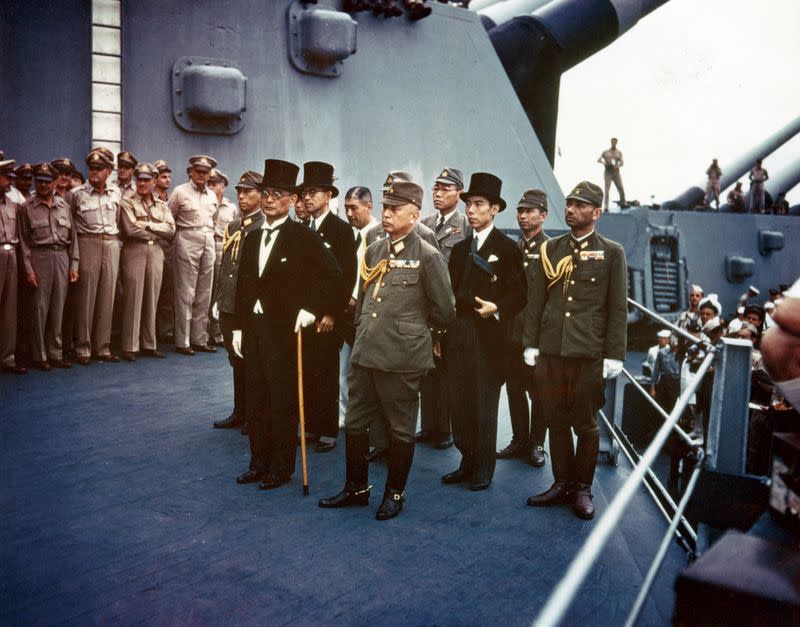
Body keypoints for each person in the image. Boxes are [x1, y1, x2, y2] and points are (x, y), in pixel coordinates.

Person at [319, 174, 455, 519]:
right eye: (385, 207)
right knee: (355, 422)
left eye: (396, 208)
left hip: (402, 357)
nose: (388, 213)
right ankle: (357, 488)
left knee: (399, 428)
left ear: (414, 214)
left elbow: (444, 310)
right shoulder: (375, 249)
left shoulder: (427, 254)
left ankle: (395, 492)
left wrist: (415, 336)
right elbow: (365, 298)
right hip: (367, 351)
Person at [231, 158, 341, 490]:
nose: (268, 200)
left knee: (281, 401)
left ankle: (280, 468)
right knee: (256, 400)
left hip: (286, 332)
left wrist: (312, 307)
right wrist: (237, 326)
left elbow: (333, 275)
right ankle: (258, 462)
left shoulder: (301, 237)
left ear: (292, 201)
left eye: (277, 194)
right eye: (265, 193)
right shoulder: (251, 238)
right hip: (255, 329)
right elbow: (244, 283)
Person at [524, 180, 628, 520]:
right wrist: (531, 344)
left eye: (579, 205)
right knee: (554, 419)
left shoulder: (612, 252)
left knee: (584, 422)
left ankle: (583, 488)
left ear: (596, 212)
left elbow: (617, 309)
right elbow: (536, 301)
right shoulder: (550, 249)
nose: (570, 209)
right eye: (568, 203)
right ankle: (562, 484)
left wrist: (615, 353)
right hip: (552, 350)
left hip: (588, 352)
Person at [443, 172, 527, 491]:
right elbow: (450, 291)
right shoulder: (461, 249)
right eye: (470, 204)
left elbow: (520, 295)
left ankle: (483, 467)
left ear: (494, 209)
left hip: (489, 337)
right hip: (459, 332)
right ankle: (466, 460)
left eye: (479, 204)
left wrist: (497, 308)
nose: (472, 210)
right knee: (459, 404)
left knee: (483, 406)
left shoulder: (506, 249)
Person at [297, 161, 358, 453]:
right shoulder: (301, 229)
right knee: (307, 371)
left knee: (327, 374)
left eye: (314, 192)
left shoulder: (341, 231)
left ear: (328, 195)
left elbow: (346, 277)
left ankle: (328, 430)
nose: (307, 198)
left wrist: (332, 313)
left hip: (326, 317)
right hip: (303, 315)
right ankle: (310, 426)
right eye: (305, 192)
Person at [417, 167, 469, 449]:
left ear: (458, 194)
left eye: (445, 189)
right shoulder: (424, 223)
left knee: (448, 370)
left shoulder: (465, 226)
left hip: (451, 308)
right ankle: (429, 425)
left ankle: (445, 429)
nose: (438, 194)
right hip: (427, 308)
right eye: (435, 189)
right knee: (427, 370)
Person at [498, 188, 549, 466]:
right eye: (520, 211)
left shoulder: (551, 249)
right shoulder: (513, 249)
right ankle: (519, 440)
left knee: (539, 392)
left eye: (529, 211)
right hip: (511, 333)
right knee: (514, 388)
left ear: (543, 215)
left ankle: (537, 443)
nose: (523, 216)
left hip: (536, 336)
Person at [211, 171, 265, 433]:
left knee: (252, 359)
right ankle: (239, 411)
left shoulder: (262, 226)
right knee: (235, 358)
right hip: (229, 301)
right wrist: (219, 298)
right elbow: (226, 266)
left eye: (248, 192)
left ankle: (254, 414)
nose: (242, 196)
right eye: (240, 192)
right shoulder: (233, 226)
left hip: (247, 304)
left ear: (261, 194)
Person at [19, 162, 79, 371]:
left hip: (61, 257)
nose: (43, 186)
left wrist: (74, 265)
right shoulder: (27, 207)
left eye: (47, 182)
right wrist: (28, 270)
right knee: (39, 308)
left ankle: (55, 352)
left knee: (58, 308)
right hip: (39, 257)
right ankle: (40, 355)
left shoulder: (64, 206)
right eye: (39, 182)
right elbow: (24, 243)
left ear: (55, 182)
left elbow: (73, 239)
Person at [68, 147, 123, 364]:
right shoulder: (76, 194)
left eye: (99, 169)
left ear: (109, 171)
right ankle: (83, 347)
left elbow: (118, 219)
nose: (94, 172)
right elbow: (71, 227)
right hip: (87, 242)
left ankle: (103, 346)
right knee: (86, 297)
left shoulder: (116, 193)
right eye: (92, 168)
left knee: (107, 297)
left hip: (110, 243)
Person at [340, 186, 383, 455]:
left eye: (354, 207)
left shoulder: (377, 235)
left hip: (368, 314)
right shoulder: (351, 235)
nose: (349, 213)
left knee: (369, 374)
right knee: (348, 368)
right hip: (348, 313)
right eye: (346, 207)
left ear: (369, 207)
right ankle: (346, 417)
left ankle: (374, 430)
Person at [119, 163, 176, 361]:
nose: (142, 183)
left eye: (146, 179)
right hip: (134, 249)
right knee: (133, 297)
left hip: (156, 250)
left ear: (153, 181)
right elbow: (130, 229)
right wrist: (157, 228)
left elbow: (171, 230)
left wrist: (148, 224)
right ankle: (130, 345)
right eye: (139, 179)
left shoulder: (161, 204)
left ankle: (149, 343)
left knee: (153, 296)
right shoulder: (127, 201)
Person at [168, 155, 218, 355]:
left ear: (209, 174)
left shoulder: (212, 195)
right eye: (198, 171)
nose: (201, 175)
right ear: (190, 172)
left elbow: (213, 220)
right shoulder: (180, 192)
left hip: (208, 240)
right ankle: (183, 341)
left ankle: (200, 339)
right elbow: (169, 218)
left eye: (205, 172)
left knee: (204, 293)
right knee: (186, 292)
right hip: (187, 238)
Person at [0, 159, 26, 374]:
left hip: (11, 254)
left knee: (10, 309)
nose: (10, 181)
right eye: (6, 177)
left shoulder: (13, 204)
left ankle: (7, 358)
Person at [208, 168, 236, 346]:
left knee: (220, 291)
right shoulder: (204, 202)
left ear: (223, 186)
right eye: (209, 183)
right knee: (204, 293)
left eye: (215, 184)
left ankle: (218, 333)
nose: (212, 187)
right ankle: (202, 334)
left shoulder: (231, 207)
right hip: (205, 245)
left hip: (223, 247)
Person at [153, 160, 174, 342]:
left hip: (168, 249)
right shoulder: (150, 199)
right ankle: (150, 331)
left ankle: (165, 330)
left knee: (167, 291)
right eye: (163, 176)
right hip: (153, 246)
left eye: (168, 176)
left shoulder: (171, 198)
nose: (167, 180)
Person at [597, 138, 625, 211]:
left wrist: (617, 166)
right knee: (607, 189)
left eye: (615, 142)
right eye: (612, 142)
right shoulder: (606, 152)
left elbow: (622, 162)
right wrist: (604, 163)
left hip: (616, 172)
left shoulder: (619, 152)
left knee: (620, 187)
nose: (614, 143)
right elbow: (599, 159)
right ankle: (606, 206)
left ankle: (623, 203)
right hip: (608, 172)